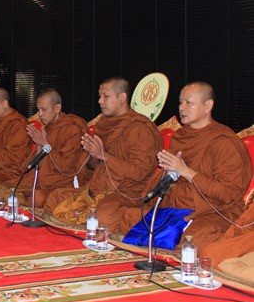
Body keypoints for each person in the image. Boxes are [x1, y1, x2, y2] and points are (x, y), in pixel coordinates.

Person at [99, 82, 252, 252]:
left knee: (196, 240)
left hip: (209, 212)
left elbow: (228, 193)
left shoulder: (224, 142)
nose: (182, 108)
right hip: (175, 208)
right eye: (180, 102)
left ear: (208, 105)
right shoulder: (182, 136)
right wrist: (168, 178)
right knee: (127, 216)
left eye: (189, 102)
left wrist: (186, 172)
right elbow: (168, 179)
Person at [43, 77, 162, 224]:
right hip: (97, 188)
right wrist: (93, 156)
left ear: (122, 97)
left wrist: (104, 156)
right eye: (100, 96)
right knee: (55, 197)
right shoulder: (104, 125)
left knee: (102, 216)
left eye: (105, 96)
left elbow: (139, 173)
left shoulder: (140, 128)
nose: (100, 101)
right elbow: (94, 167)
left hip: (126, 193)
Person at [15, 89, 91, 207]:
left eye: (44, 110)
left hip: (63, 182)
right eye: (38, 110)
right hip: (44, 178)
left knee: (36, 198)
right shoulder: (48, 128)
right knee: (10, 192)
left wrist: (45, 143)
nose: (39, 114)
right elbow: (39, 165)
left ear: (57, 108)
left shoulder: (72, 129)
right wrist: (40, 144)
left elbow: (66, 167)